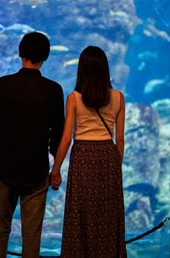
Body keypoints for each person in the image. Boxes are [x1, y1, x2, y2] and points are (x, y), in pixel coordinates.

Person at [0, 32, 64, 258]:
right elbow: (57, 136)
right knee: (32, 234)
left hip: (4, 169)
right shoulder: (53, 90)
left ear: (20, 53)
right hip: (36, 171)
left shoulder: (1, 85)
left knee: (0, 230)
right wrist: (55, 170)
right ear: (45, 56)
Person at [50, 46, 126, 257]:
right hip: (108, 157)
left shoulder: (74, 98)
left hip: (83, 155)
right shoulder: (119, 97)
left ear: (81, 69)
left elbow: (66, 138)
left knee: (81, 213)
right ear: (105, 69)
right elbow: (119, 139)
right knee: (107, 214)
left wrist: (55, 170)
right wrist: (115, 168)